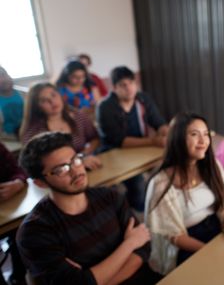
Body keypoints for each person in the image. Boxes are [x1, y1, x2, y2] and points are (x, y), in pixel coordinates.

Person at [16, 132, 161, 285]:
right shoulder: (35, 231)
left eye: (76, 160)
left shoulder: (110, 197)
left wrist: (96, 279)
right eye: (61, 169)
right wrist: (129, 243)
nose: (76, 171)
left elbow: (143, 248)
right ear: (40, 182)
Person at [145, 112, 224, 273]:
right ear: (178, 139)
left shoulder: (211, 166)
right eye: (194, 134)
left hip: (216, 225)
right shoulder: (161, 183)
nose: (203, 141)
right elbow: (174, 236)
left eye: (206, 134)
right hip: (187, 242)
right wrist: (209, 250)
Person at [96, 66, 169, 211]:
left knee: (167, 169)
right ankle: (137, 207)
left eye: (131, 83)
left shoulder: (143, 99)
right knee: (137, 186)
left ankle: (159, 203)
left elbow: (159, 122)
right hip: (115, 152)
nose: (129, 88)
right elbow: (119, 141)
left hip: (143, 148)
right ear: (114, 88)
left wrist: (166, 133)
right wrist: (153, 141)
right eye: (123, 85)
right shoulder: (105, 107)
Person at [19, 82, 102, 170]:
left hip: (87, 165)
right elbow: (38, 165)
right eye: (44, 100)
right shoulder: (34, 132)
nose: (52, 101)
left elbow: (95, 138)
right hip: (59, 175)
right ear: (37, 107)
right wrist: (77, 161)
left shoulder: (77, 116)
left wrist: (83, 155)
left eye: (53, 95)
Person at [0, 141, 28, 285]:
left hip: (9, 211)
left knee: (26, 232)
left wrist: (17, 182)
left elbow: (18, 170)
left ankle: (19, 277)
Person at [0, 66, 23, 136]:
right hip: (8, 139)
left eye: (3, 75)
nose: (3, 79)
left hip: (29, 132)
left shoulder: (24, 94)